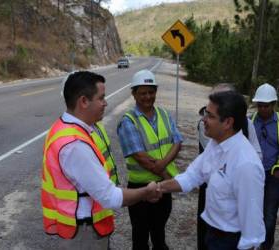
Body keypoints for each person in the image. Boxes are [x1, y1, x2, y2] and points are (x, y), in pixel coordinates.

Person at [41, 71, 160, 250]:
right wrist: (146, 192)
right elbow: (110, 197)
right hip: (84, 234)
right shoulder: (75, 145)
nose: (105, 102)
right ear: (83, 101)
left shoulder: (63, 127)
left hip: (79, 228)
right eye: (101, 97)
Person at [159, 91, 265, 250]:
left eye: (210, 116)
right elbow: (191, 176)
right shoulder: (215, 145)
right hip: (211, 233)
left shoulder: (246, 164)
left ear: (228, 122)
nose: (203, 120)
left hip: (231, 241)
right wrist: (159, 187)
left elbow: (252, 231)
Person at [117, 69, 183, 250]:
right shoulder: (128, 121)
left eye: (151, 92)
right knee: (140, 236)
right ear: (134, 94)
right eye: (143, 93)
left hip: (164, 185)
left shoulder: (164, 114)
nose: (148, 97)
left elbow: (177, 142)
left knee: (159, 232)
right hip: (140, 190)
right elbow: (140, 157)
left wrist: (162, 169)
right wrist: (167, 176)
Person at [196, 83, 262, 250]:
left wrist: (244, 168)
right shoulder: (208, 128)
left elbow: (256, 151)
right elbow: (211, 160)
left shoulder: (247, 126)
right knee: (207, 228)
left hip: (236, 188)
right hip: (212, 187)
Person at [251, 83, 279, 250]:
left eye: (265, 106)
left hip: (272, 176)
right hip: (253, 176)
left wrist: (277, 168)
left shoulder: (278, 124)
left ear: (273, 104)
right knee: (253, 211)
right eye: (259, 105)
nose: (261, 109)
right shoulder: (250, 121)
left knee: (269, 215)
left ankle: (266, 246)